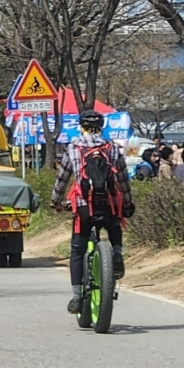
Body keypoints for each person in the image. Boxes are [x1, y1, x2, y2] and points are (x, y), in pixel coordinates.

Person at [51, 110, 134, 315]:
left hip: (84, 206)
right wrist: (128, 202)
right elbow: (123, 179)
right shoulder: (112, 148)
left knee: (77, 251)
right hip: (109, 204)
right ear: (101, 126)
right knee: (114, 224)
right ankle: (116, 252)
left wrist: (56, 202)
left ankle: (78, 297)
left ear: (80, 126)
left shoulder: (72, 148)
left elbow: (62, 179)